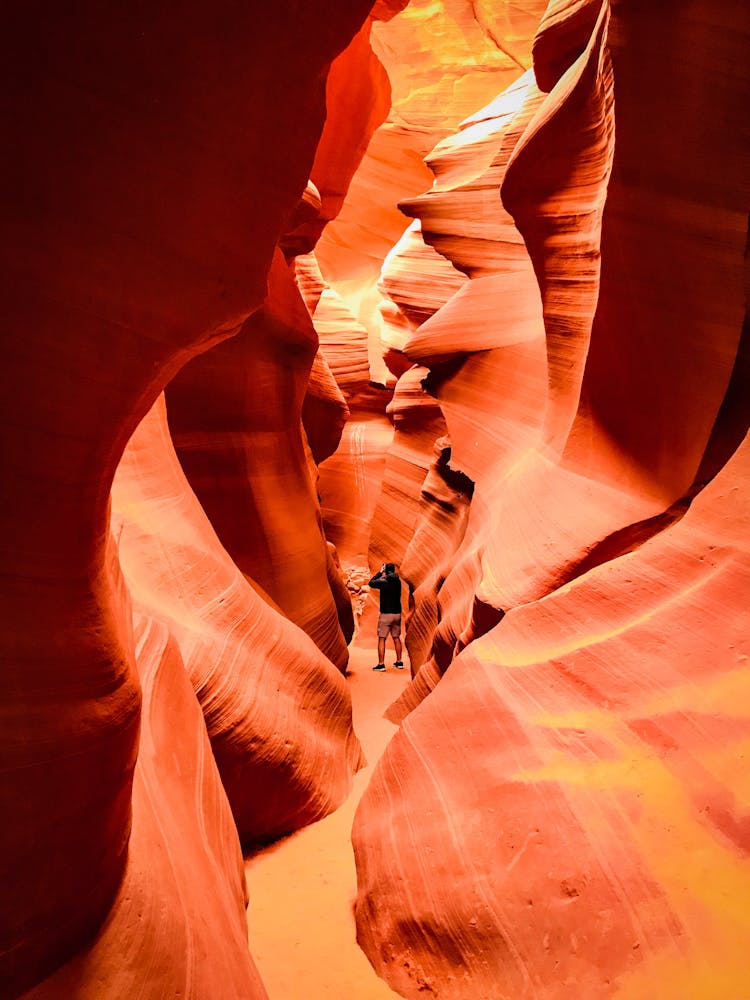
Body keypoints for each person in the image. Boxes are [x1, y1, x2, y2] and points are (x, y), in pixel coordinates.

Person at [368, 562, 404, 671]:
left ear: (386, 570)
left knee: (382, 638)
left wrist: (380, 572)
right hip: (397, 614)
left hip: (386, 614)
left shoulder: (384, 582)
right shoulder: (398, 582)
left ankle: (381, 664)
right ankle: (399, 662)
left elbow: (371, 583)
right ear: (394, 570)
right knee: (396, 637)